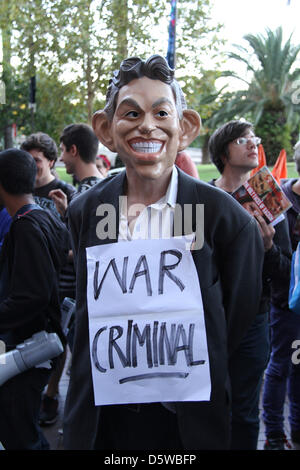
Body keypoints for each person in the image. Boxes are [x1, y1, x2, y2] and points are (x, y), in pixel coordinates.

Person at [62, 55, 264, 450]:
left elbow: (236, 318)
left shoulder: (225, 220)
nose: (147, 125)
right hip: (105, 419)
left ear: (184, 127)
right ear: (106, 129)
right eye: (131, 113)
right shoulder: (85, 211)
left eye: (160, 112)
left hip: (186, 424)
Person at [208, 120, 292, 450]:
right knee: (208, 406)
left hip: (254, 319)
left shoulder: (269, 197)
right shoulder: (204, 197)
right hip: (207, 317)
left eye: (254, 138)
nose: (253, 144)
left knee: (244, 412)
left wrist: (269, 247)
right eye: (243, 139)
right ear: (223, 152)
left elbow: (285, 272)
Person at [0, 149, 69, 450]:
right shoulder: (43, 216)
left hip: (31, 346)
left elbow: (34, 294)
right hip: (42, 340)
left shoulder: (25, 225)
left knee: (18, 432)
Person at [21, 132, 76, 426]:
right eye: (27, 161)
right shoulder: (18, 190)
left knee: (57, 340)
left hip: (61, 282)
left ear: (52, 161)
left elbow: (75, 245)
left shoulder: (65, 192)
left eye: (37, 161)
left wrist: (62, 215)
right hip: (28, 280)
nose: (32, 167)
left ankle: (51, 394)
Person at [262, 140, 300, 450]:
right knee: (282, 365)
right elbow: (274, 261)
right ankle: (274, 432)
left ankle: (297, 429)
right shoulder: (276, 196)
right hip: (286, 301)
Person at [49, 123, 104, 218]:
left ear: (73, 150)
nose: (61, 158)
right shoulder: (109, 188)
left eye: (62, 150)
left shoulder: (82, 198)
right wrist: (66, 212)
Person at [21, 132, 76, 216]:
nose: (30, 165)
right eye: (27, 159)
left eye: (36, 160)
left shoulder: (67, 192)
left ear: (51, 162)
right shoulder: (20, 191)